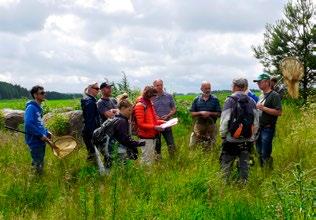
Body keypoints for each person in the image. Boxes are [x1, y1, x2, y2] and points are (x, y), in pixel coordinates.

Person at [219, 78, 259, 183]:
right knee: (244, 163)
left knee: (226, 163)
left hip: (231, 139)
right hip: (247, 139)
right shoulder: (252, 101)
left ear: (234, 86)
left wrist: (223, 136)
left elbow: (224, 120)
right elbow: (256, 122)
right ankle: (244, 184)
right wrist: (251, 136)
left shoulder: (230, 100)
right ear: (245, 87)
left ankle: (224, 185)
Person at [254, 73, 282, 169]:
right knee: (259, 152)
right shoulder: (261, 95)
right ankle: (262, 171)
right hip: (258, 128)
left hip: (267, 128)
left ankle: (269, 173)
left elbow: (279, 112)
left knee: (265, 153)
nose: (258, 84)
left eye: (259, 82)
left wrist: (263, 108)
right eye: (257, 82)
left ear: (267, 82)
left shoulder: (274, 95)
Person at [134, 86, 165, 164]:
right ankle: (145, 174)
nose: (155, 97)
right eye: (154, 95)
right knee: (147, 159)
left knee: (150, 158)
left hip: (151, 135)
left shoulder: (149, 103)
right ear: (148, 94)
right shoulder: (140, 105)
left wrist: (163, 122)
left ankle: (147, 173)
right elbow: (140, 124)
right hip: (145, 136)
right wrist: (154, 127)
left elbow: (153, 120)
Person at [24, 85, 51, 174]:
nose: (44, 94)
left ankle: (38, 180)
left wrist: (46, 132)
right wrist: (40, 135)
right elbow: (28, 124)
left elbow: (40, 124)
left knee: (40, 163)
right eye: (42, 93)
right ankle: (34, 181)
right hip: (35, 141)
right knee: (37, 165)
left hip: (41, 140)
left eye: (44, 92)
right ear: (35, 95)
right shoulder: (31, 108)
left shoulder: (38, 108)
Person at [189, 81, 221, 150]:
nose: (208, 90)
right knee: (193, 145)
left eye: (209, 88)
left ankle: (210, 157)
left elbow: (219, 114)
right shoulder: (196, 99)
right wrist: (201, 113)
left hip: (211, 126)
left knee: (211, 146)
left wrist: (209, 113)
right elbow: (192, 113)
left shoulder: (215, 100)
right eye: (206, 88)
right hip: (199, 125)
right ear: (201, 89)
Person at [152, 79, 177, 159]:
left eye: (161, 85)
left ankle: (173, 160)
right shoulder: (152, 97)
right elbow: (149, 110)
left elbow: (174, 109)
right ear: (154, 86)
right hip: (156, 125)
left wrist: (168, 115)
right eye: (157, 85)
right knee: (157, 145)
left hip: (167, 123)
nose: (160, 87)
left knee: (171, 144)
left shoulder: (169, 96)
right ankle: (158, 162)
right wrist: (155, 116)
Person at [81, 83, 101, 162]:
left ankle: (92, 170)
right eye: (96, 88)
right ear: (90, 89)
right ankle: (92, 171)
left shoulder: (90, 100)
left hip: (89, 131)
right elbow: (90, 120)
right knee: (93, 155)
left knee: (93, 154)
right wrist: (94, 134)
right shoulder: (90, 102)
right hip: (90, 132)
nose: (98, 90)